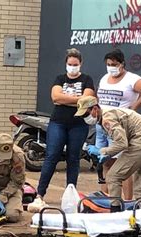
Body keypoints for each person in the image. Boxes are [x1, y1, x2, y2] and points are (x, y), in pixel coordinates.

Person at [28, 48, 95, 213]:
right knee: (52, 156)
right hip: (58, 122)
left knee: (73, 158)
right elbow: (55, 97)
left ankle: (70, 197)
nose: (73, 67)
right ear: (66, 64)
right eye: (70, 64)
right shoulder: (60, 78)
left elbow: (87, 100)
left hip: (78, 124)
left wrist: (67, 100)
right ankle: (40, 195)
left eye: (76, 64)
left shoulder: (87, 79)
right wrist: (77, 100)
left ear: (81, 64)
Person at [75, 96, 141, 211]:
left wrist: (101, 151)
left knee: (113, 176)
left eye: (86, 114)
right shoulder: (109, 114)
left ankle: (115, 211)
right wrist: (108, 155)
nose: (85, 118)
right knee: (140, 186)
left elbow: (122, 144)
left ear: (95, 109)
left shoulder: (107, 118)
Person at [95, 49, 141, 200]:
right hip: (102, 124)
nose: (111, 67)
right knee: (105, 162)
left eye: (114, 64)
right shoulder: (105, 78)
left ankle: (127, 199)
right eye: (108, 64)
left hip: (119, 126)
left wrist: (134, 107)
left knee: (122, 165)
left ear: (122, 64)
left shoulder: (131, 79)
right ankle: (106, 198)